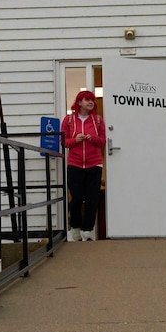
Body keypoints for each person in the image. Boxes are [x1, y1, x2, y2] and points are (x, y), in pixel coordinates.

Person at [61, 89, 106, 242]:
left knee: (92, 199)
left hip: (94, 164)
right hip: (75, 164)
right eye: (87, 99)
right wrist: (75, 140)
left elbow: (102, 141)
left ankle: (87, 231)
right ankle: (75, 228)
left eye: (92, 100)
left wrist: (93, 138)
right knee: (77, 198)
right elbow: (63, 141)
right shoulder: (68, 120)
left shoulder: (98, 120)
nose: (91, 102)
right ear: (79, 102)